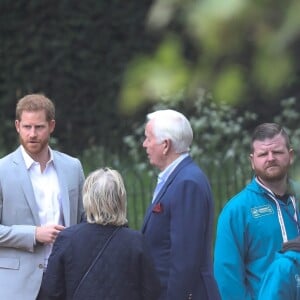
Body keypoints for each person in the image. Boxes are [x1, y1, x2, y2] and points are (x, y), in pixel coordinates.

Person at [0, 94, 85, 300]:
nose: (32, 134)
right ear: (17, 126)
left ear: (52, 125)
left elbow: (85, 220)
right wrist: (34, 234)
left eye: (39, 127)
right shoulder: (1, 170)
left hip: (66, 278)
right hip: (17, 286)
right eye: (27, 127)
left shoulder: (73, 167)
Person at [42, 167, 161, 300]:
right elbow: (152, 292)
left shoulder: (67, 239)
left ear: (88, 198)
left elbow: (52, 292)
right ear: (120, 199)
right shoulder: (136, 242)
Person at [214, 122, 300, 300]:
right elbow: (227, 278)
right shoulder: (236, 211)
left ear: (290, 155)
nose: (270, 158)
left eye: (277, 152)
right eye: (263, 154)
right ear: (252, 161)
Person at [141, 109, 220, 300]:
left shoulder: (187, 183)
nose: (144, 145)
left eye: (148, 138)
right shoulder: (179, 178)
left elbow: (185, 260)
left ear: (165, 145)